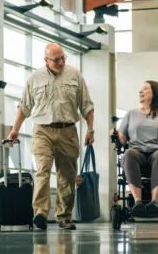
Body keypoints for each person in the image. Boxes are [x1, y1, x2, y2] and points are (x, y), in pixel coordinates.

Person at [7, 43, 94, 231]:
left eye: (63, 58)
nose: (61, 62)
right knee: (43, 170)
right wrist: (15, 130)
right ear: (46, 60)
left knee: (67, 176)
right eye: (56, 59)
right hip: (42, 130)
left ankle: (64, 216)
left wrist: (91, 130)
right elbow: (24, 107)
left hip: (68, 130)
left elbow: (87, 105)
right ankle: (40, 212)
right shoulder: (35, 78)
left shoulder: (75, 76)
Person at [113, 81, 158, 218]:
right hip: (137, 156)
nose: (140, 92)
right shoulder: (131, 115)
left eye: (145, 89)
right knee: (129, 152)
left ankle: (155, 202)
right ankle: (138, 202)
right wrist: (116, 135)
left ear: (155, 93)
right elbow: (122, 138)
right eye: (140, 89)